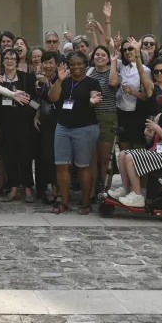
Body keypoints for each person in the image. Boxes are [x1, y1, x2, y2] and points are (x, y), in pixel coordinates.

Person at [110, 87, 162, 207]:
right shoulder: (160, 116)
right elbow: (151, 140)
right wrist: (149, 134)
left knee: (130, 157)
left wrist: (158, 130)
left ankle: (137, 195)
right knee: (123, 154)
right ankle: (126, 188)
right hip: (157, 152)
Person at [47, 51, 102, 214]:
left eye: (80, 64)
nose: (76, 67)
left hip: (85, 128)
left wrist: (93, 101)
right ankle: (64, 201)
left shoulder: (92, 82)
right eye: (73, 64)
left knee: (83, 166)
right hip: (63, 126)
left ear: (85, 65)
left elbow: (95, 99)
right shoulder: (64, 81)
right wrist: (59, 79)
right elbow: (53, 98)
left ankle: (86, 203)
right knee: (62, 165)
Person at [0, 48, 35, 202]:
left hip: (24, 123)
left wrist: (31, 106)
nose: (9, 61)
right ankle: (13, 188)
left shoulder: (26, 78)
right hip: (5, 124)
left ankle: (27, 188)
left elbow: (35, 102)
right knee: (9, 156)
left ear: (17, 61)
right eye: (6, 58)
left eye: (12, 58)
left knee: (25, 156)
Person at [87, 43, 120, 196]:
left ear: (107, 59)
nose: (99, 57)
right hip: (91, 116)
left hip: (108, 116)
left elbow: (113, 83)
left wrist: (113, 62)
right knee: (93, 157)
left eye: (103, 55)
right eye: (97, 54)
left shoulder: (112, 71)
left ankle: (105, 189)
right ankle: (92, 190)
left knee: (105, 156)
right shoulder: (89, 72)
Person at [33, 51, 60, 203]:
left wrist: (48, 84)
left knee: (53, 157)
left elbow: (56, 98)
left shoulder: (60, 78)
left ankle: (56, 190)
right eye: (45, 62)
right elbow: (36, 100)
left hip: (56, 121)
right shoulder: (37, 79)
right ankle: (41, 190)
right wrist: (36, 115)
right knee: (41, 156)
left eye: (51, 62)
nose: (48, 66)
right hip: (42, 120)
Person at [116, 39, 151, 149]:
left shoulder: (146, 70)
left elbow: (147, 97)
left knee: (137, 148)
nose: (127, 52)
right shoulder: (122, 66)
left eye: (130, 48)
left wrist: (132, 92)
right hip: (121, 111)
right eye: (125, 50)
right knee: (123, 144)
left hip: (137, 113)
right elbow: (106, 55)